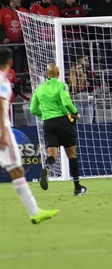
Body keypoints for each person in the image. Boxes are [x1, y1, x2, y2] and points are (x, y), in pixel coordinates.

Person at [0, 48, 59, 224]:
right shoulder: (2, 81)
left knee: (16, 170)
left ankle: (35, 211)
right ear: (10, 63)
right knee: (17, 170)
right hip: (2, 130)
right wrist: (3, 133)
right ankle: (34, 212)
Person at [30, 63, 87, 195]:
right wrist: (75, 112)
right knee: (72, 155)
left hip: (48, 123)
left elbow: (33, 109)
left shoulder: (39, 89)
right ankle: (77, 187)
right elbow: (67, 102)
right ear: (58, 74)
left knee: (52, 155)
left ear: (46, 74)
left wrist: (44, 115)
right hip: (63, 121)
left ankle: (47, 167)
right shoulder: (62, 86)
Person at [0, 0, 28, 74]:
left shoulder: (23, 11)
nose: (19, 0)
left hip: (20, 44)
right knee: (7, 67)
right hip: (7, 45)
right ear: (11, 0)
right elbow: (0, 27)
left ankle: (18, 84)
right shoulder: (2, 11)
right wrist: (4, 38)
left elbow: (27, 26)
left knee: (19, 66)